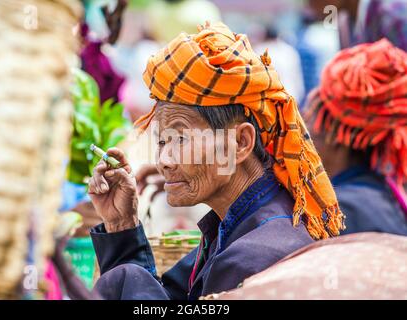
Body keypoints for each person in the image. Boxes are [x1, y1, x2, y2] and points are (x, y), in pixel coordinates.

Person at [88, 22, 344, 300]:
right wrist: (121, 223)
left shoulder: (253, 257)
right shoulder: (236, 227)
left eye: (181, 139)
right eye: (162, 142)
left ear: (240, 142)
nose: (164, 161)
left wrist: (126, 275)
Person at [304, 39, 407, 236]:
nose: (302, 134)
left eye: (308, 119)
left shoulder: (338, 214)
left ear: (333, 132)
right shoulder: (387, 194)